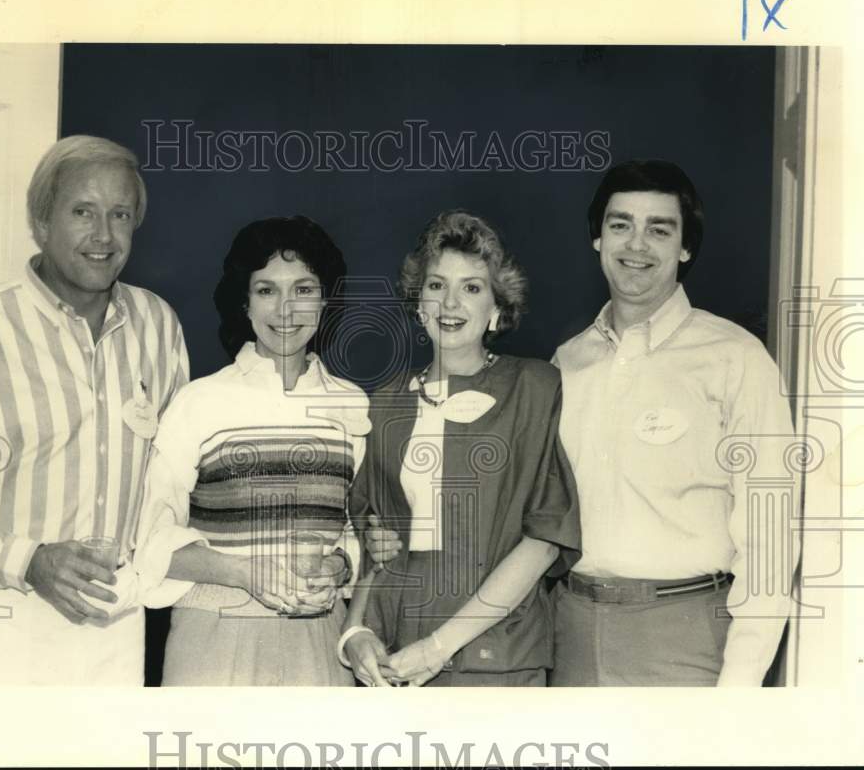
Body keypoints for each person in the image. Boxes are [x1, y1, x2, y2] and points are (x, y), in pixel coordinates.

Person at [0, 135, 190, 685]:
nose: (103, 235)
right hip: (2, 629)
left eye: (120, 214)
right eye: (83, 212)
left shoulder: (158, 326)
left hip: (116, 630)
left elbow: (172, 482)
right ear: (42, 222)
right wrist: (27, 560)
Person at [550, 159, 800, 686]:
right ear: (598, 238)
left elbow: (770, 536)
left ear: (685, 248)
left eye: (659, 229)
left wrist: (738, 688)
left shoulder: (735, 357)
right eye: (620, 224)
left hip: (685, 639)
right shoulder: (565, 363)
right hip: (569, 633)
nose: (636, 245)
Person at [340, 210, 581, 687]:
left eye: (472, 287)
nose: (450, 302)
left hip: (499, 660)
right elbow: (376, 544)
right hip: (398, 660)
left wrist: (438, 648)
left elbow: (544, 539)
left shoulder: (534, 387)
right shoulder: (386, 402)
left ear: (497, 307)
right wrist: (356, 633)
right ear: (418, 301)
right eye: (436, 285)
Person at [133, 215, 369, 686]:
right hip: (215, 641)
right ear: (244, 302)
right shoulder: (198, 402)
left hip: (320, 639)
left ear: (325, 300)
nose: (285, 308)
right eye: (266, 290)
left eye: (303, 289)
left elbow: (359, 530)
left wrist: (340, 564)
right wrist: (243, 572)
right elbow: (149, 543)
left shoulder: (353, 404)